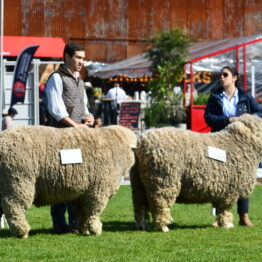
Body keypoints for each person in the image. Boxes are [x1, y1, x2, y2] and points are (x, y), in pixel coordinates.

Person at [45, 42, 94, 234]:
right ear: (66, 57)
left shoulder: (80, 80)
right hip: (61, 137)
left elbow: (83, 106)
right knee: (62, 180)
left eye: (83, 58)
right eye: (78, 57)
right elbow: (56, 109)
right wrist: (76, 126)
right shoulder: (56, 78)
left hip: (78, 137)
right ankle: (59, 223)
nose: (81, 61)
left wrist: (88, 117)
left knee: (76, 179)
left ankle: (75, 221)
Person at [204, 65, 262, 226]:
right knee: (220, 179)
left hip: (241, 145)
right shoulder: (215, 96)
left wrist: (248, 117)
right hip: (219, 141)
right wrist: (228, 120)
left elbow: (260, 112)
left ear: (234, 78)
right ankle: (220, 216)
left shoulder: (245, 96)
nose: (221, 77)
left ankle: (244, 216)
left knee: (243, 178)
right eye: (220, 75)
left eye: (225, 75)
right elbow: (208, 118)